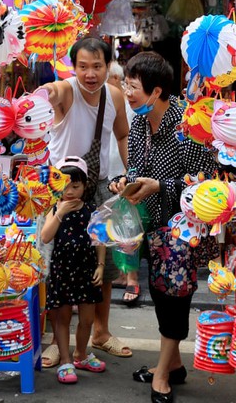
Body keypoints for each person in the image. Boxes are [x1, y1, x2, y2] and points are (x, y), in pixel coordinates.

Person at [109, 52, 217, 403]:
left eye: (134, 86)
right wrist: (123, 183)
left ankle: (161, 376)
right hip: (153, 225)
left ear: (156, 92)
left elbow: (206, 183)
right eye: (126, 83)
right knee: (159, 292)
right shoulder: (139, 122)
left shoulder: (190, 122)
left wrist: (161, 186)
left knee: (175, 297)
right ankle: (173, 365)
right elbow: (137, 167)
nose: (127, 92)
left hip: (183, 226)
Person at [41, 37, 132, 364]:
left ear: (108, 66)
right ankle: (55, 339)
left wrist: (129, 173)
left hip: (99, 186)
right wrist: (49, 93)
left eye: (97, 66)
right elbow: (55, 91)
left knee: (102, 266)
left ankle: (101, 332)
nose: (90, 73)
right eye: (82, 66)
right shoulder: (67, 90)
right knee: (54, 264)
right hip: (60, 188)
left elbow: (122, 134)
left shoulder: (115, 96)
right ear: (73, 67)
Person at [40, 156, 106, 384]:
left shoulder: (91, 209)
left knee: (87, 317)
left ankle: (81, 354)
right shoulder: (55, 209)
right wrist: (60, 212)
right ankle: (65, 359)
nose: (69, 191)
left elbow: (99, 240)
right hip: (63, 269)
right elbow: (46, 236)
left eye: (75, 186)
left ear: (84, 186)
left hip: (86, 269)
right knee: (63, 317)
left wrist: (100, 265)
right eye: (65, 186)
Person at [106, 61, 140, 305]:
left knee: (128, 226)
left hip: (123, 171)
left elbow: (128, 137)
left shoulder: (127, 104)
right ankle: (119, 273)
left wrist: (132, 172)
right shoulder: (98, 103)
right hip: (106, 173)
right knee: (110, 227)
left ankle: (132, 278)